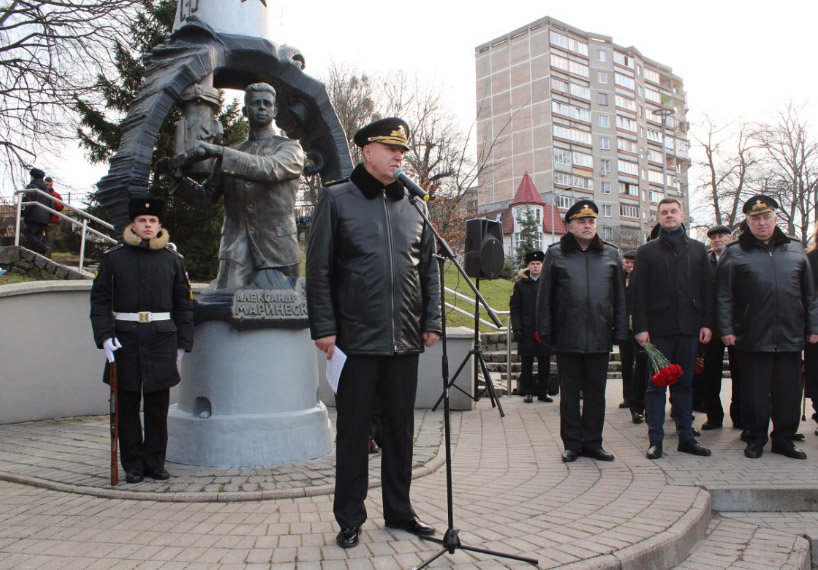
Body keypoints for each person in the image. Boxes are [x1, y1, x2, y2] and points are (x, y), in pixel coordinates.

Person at [306, 117, 442, 549]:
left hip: (404, 340)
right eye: (390, 148)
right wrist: (325, 326)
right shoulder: (338, 199)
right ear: (367, 151)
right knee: (354, 433)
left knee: (401, 431)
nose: (399, 156)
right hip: (355, 341)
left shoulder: (415, 206)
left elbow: (430, 271)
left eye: (402, 150)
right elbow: (319, 269)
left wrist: (433, 320)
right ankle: (350, 517)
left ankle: (400, 512)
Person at [90, 198, 194, 483]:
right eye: (142, 220)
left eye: (152, 221)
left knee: (158, 405)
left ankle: (155, 462)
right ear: (133, 226)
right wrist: (105, 337)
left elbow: (183, 304)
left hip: (161, 338)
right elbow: (99, 301)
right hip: (124, 337)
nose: (147, 225)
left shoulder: (173, 261)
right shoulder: (114, 259)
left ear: (159, 226)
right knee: (126, 403)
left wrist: (183, 342)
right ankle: (133, 464)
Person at [170, 82, 305, 288]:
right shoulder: (230, 152)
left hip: (278, 250)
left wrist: (219, 151)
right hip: (235, 250)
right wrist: (177, 179)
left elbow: (268, 168)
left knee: (280, 316)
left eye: (266, 104)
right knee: (227, 308)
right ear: (245, 110)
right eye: (255, 103)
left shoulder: (290, 148)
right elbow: (205, 198)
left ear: (274, 111)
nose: (261, 107)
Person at [716, 195, 818, 459]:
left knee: (788, 391)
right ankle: (755, 437)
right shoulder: (735, 252)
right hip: (752, 334)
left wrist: (813, 326)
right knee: (755, 393)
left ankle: (784, 439)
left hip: (790, 334)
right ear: (748, 222)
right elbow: (724, 295)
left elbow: (810, 295)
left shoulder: (795, 250)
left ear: (775, 219)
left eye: (766, 218)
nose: (761, 223)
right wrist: (726, 328)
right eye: (755, 219)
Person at [536, 200, 627, 463]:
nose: (587, 226)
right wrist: (545, 330)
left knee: (597, 393)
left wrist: (620, 331)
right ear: (570, 226)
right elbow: (545, 297)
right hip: (568, 335)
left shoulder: (611, 254)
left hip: (599, 335)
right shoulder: (555, 254)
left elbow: (620, 298)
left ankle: (594, 443)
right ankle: (572, 444)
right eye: (581, 222)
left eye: (591, 221)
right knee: (570, 394)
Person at [632, 197, 713, 460]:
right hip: (659, 330)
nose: (669, 215)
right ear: (658, 217)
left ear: (682, 215)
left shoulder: (699, 250)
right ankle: (656, 440)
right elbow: (639, 293)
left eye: (673, 211)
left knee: (685, 385)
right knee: (656, 386)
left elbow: (707, 291)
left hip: (689, 328)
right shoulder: (647, 252)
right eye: (664, 212)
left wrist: (706, 323)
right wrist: (640, 328)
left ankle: (686, 437)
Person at [698, 225, 734, 431]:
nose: (717, 240)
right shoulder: (706, 262)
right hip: (711, 324)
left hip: (735, 324)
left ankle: (740, 414)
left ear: (731, 237)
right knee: (710, 373)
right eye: (713, 237)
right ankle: (714, 415)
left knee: (741, 372)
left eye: (721, 236)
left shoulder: (737, 258)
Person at [510, 250, 553, 404]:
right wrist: (517, 328)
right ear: (528, 266)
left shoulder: (548, 284)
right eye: (532, 264)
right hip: (527, 329)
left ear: (543, 265)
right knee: (526, 363)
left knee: (544, 363)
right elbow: (514, 308)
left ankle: (543, 391)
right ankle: (527, 391)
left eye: (538, 264)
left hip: (544, 329)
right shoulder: (520, 285)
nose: (535, 266)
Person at [619, 251, 636, 413]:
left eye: (632, 263)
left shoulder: (641, 278)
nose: (629, 266)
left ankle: (639, 396)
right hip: (624, 328)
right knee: (626, 364)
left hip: (639, 328)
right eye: (627, 262)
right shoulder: (620, 279)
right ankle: (627, 396)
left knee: (640, 365)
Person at [21, 168, 53, 256]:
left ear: (32, 177)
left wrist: (23, 213)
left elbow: (27, 203)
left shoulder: (31, 188)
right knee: (36, 238)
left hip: (33, 217)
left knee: (29, 234)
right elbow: (51, 207)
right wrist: (48, 218)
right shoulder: (46, 191)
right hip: (44, 219)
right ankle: (35, 257)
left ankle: (42, 248)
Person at [43, 177, 64, 258]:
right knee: (39, 239)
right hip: (42, 220)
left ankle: (47, 257)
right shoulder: (40, 193)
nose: (48, 186)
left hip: (52, 221)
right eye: (46, 185)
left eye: (50, 185)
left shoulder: (57, 195)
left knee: (50, 240)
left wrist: (52, 200)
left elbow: (60, 207)